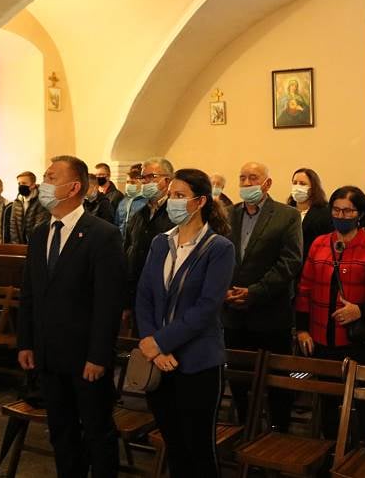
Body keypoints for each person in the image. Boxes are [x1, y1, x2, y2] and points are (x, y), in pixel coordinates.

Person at [17, 155, 126, 478]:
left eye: (51, 178)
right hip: (49, 354)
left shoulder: (102, 234)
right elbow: (29, 293)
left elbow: (108, 303)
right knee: (61, 431)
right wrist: (26, 342)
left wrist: (98, 356)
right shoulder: (40, 233)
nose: (43, 184)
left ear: (74, 187)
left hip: (85, 356)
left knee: (97, 431)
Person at [135, 168, 235, 478]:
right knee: (175, 446)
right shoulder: (160, 243)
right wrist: (152, 344)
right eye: (171, 196)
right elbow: (144, 296)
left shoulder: (219, 248)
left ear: (200, 201)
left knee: (199, 449)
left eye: (180, 196)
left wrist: (160, 342)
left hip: (198, 362)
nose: (172, 202)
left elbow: (206, 308)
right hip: (158, 362)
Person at [295, 185, 365, 441]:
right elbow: (304, 287)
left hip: (358, 338)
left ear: (360, 213)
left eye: (348, 211)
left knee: (361, 401)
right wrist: (302, 328)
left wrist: (360, 310)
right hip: (321, 338)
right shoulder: (319, 243)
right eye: (337, 210)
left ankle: (361, 448)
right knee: (328, 400)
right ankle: (331, 448)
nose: (341, 215)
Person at [223, 161, 302, 431]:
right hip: (233, 315)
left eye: (253, 178)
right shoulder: (228, 214)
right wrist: (225, 290)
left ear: (267, 183)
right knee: (239, 382)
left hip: (270, 316)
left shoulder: (287, 215)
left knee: (278, 385)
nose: (247, 184)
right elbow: (218, 256)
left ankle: (280, 434)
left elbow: (290, 262)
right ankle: (247, 429)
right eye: (242, 178)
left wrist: (254, 292)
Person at [123, 157, 175, 330]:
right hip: (138, 295)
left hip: (165, 298)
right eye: (143, 177)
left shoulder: (175, 214)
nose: (145, 182)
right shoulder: (139, 214)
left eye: (151, 177)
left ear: (167, 180)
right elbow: (128, 251)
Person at [286, 167, 332, 260]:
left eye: (302, 184)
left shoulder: (325, 213)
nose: (297, 187)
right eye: (294, 183)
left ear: (313, 188)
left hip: (312, 260)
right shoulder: (286, 211)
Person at [10, 171, 51, 244]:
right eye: (19, 184)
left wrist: (32, 245)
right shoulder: (17, 202)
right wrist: (16, 244)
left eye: (24, 183)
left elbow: (39, 226)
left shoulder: (41, 200)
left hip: (35, 243)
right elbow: (13, 225)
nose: (21, 186)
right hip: (20, 244)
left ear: (33, 185)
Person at [115, 163, 148, 239]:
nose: (129, 185)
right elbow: (117, 224)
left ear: (141, 183)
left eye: (133, 182)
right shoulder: (123, 202)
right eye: (127, 182)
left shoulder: (146, 202)